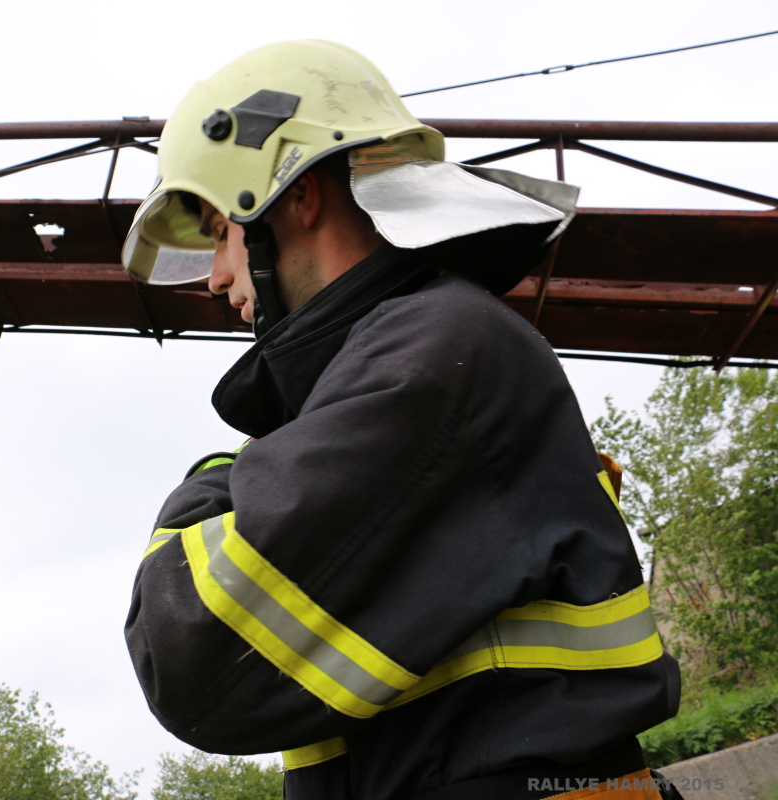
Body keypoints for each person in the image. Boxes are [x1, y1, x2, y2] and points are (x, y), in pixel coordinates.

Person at [121, 41, 682, 800]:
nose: (218, 278)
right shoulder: (409, 361)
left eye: (221, 232)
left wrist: (217, 480)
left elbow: (195, 662)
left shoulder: (435, 352)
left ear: (297, 198)